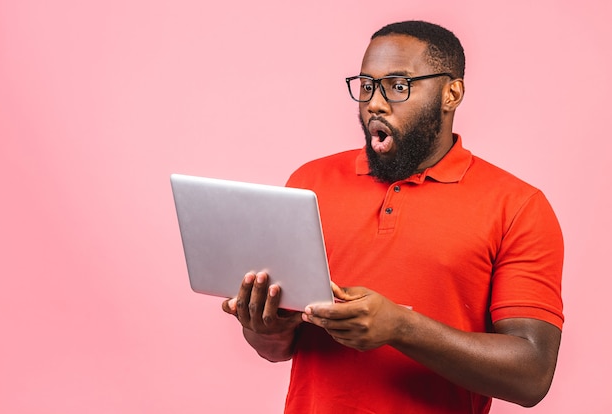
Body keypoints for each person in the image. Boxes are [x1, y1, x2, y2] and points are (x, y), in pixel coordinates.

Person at [222, 20, 563, 414]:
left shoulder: (518, 206)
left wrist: (401, 327)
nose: (375, 103)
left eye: (398, 86)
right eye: (367, 85)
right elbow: (278, 350)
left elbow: (532, 376)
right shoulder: (307, 183)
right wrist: (264, 326)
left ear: (451, 93)